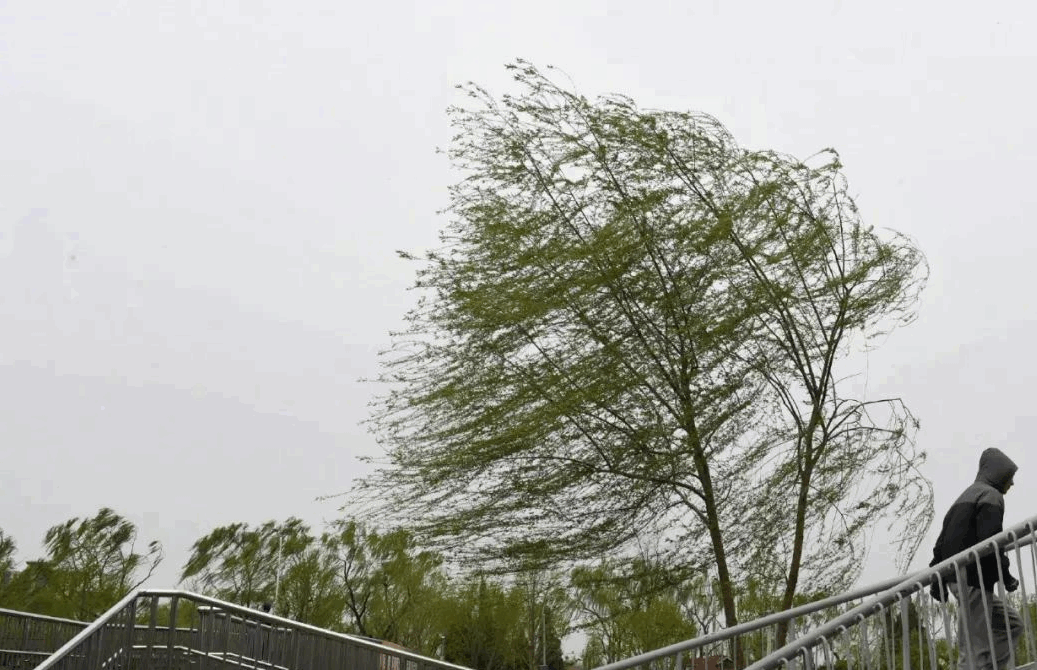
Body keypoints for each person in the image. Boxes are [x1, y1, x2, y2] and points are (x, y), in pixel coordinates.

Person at [929, 447, 1022, 670]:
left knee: (1012, 624)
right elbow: (991, 541)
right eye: (1010, 478)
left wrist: (937, 579)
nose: (1011, 483)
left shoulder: (964, 497)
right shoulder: (991, 495)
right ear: (999, 474)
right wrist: (1006, 575)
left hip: (962, 578)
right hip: (972, 577)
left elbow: (941, 543)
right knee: (974, 651)